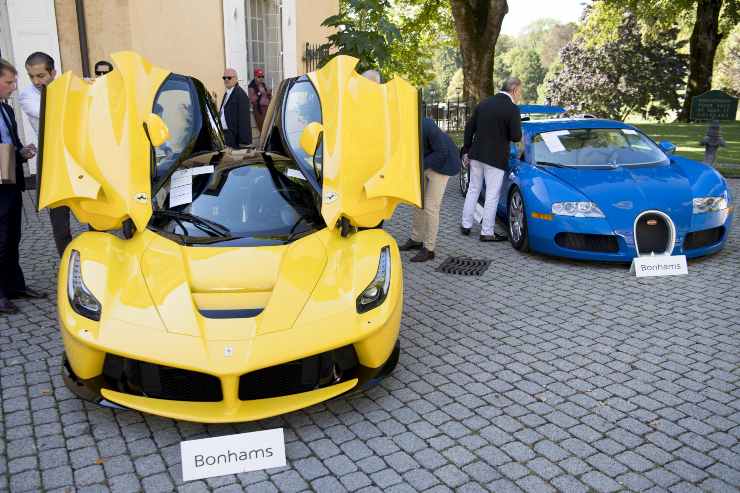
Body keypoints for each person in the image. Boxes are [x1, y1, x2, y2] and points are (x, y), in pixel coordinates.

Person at [0, 58, 45, 314]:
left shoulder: (5, 110)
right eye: (9, 81)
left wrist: (21, 151)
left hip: (11, 182)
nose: (14, 86)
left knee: (13, 237)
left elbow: (11, 142)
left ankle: (15, 286)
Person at [18, 52, 70, 257]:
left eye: (40, 76)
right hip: (51, 161)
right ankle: (67, 260)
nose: (35, 81)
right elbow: (48, 112)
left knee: (93, 212)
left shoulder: (68, 87)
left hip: (79, 157)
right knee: (59, 219)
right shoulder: (27, 96)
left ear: (53, 72)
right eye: (31, 76)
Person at [461, 77, 522, 241]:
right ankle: (487, 232)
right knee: (492, 195)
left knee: (473, 189)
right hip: (495, 158)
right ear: (514, 90)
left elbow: (469, 127)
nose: (519, 95)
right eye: (520, 92)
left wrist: (466, 149)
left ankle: (466, 225)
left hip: (476, 154)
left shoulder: (484, 103)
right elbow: (516, 136)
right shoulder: (512, 109)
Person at [399, 117, 461, 262]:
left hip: (442, 165)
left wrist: (420, 166)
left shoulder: (426, 124)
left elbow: (442, 151)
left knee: (431, 206)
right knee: (418, 201)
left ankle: (429, 249)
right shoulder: (399, 125)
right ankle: (416, 239)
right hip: (425, 163)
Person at [220, 68, 252, 148]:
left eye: (229, 78)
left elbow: (244, 120)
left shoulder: (241, 95)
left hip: (235, 139)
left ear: (235, 79)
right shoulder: (227, 93)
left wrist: (243, 142)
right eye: (224, 78)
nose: (226, 80)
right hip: (226, 136)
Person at [247, 68, 272, 132]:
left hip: (267, 108)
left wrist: (268, 93)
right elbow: (252, 99)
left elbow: (266, 95)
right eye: (259, 77)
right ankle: (263, 140)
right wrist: (259, 93)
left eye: (262, 76)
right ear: (255, 77)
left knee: (268, 126)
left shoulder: (263, 84)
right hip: (259, 110)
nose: (261, 78)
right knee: (262, 128)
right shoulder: (251, 86)